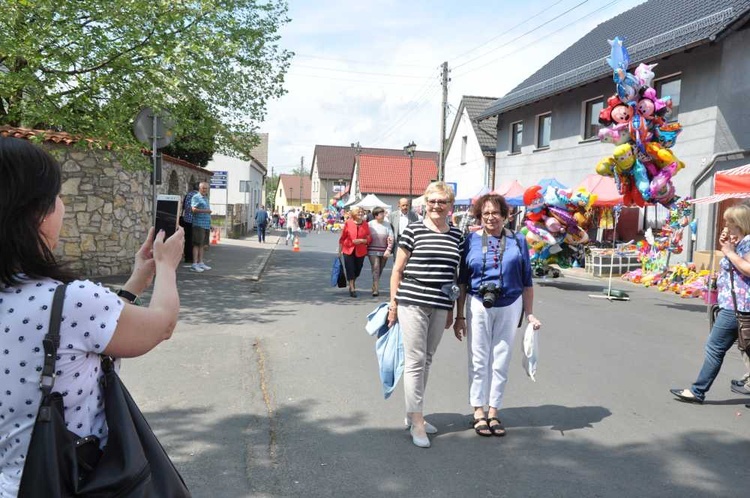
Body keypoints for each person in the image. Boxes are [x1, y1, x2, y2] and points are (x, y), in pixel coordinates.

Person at [0, 137, 184, 496]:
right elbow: (162, 325)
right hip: (72, 482)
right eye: (56, 195)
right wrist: (166, 266)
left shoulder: (63, 304)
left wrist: (133, 284)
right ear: (36, 211)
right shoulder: (69, 301)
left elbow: (86, 342)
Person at [453, 194, 541, 437]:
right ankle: (478, 411)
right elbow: (461, 280)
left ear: (506, 215)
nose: (491, 217)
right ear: (479, 217)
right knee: (478, 359)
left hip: (510, 303)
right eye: (486, 213)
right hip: (477, 303)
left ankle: (494, 411)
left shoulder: (518, 240)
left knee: (501, 359)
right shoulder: (469, 239)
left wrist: (530, 313)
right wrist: (459, 315)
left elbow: (527, 280)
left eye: (496, 213)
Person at [387, 182, 463, 448]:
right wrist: (393, 304)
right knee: (416, 360)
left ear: (450, 205)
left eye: (442, 201)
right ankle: (417, 420)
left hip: (441, 303)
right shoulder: (413, 230)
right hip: (412, 301)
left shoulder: (457, 235)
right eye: (432, 201)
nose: (436, 206)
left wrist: (454, 310)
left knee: (427, 359)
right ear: (425, 203)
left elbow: (455, 275)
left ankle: (412, 412)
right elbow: (397, 270)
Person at [671, 204, 750, 404]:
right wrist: (727, 247)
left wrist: (729, 251)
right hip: (734, 304)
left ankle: (698, 391)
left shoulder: (748, 242)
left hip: (738, 306)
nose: (726, 225)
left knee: (715, 347)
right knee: (743, 348)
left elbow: (748, 269)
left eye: (729, 221)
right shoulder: (740, 242)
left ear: (739, 223)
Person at [338, 206, 371, 298]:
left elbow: (369, 237)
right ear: (353, 214)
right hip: (348, 249)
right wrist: (339, 250)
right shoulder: (348, 223)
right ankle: (352, 288)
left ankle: (352, 281)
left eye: (362, 212)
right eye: (358, 212)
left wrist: (362, 241)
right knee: (350, 268)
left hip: (360, 250)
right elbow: (342, 238)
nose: (361, 213)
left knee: (358, 270)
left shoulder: (365, 224)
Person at [367, 207, 394, 297]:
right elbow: (366, 236)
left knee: (380, 269)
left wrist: (388, 250)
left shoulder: (387, 224)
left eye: (383, 213)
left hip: (384, 250)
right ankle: (376, 289)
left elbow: (391, 237)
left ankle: (374, 284)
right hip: (372, 250)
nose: (383, 215)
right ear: (376, 215)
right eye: (381, 214)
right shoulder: (369, 224)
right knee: (376, 268)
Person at [190, 182, 212, 273]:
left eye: (206, 188)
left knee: (202, 245)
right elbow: (193, 209)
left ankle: (200, 262)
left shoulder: (206, 198)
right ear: (199, 188)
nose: (205, 190)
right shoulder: (196, 197)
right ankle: (194, 264)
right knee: (197, 244)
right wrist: (206, 211)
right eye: (203, 188)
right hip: (198, 224)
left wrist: (210, 224)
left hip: (205, 224)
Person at [180, 182, 198, 263]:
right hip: (194, 221)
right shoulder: (197, 196)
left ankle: (188, 257)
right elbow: (190, 208)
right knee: (194, 240)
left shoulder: (188, 195)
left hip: (187, 220)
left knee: (188, 239)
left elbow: (184, 207)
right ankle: (192, 258)